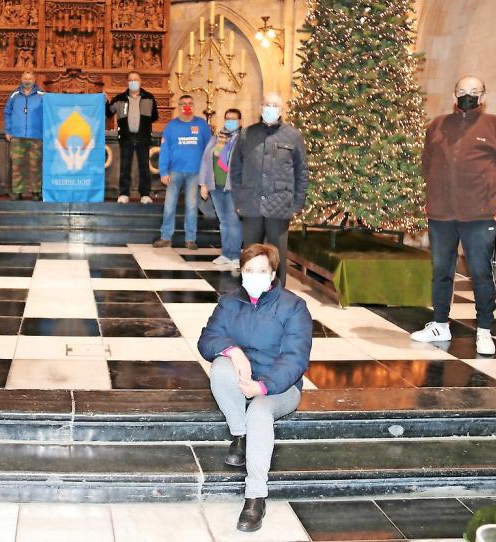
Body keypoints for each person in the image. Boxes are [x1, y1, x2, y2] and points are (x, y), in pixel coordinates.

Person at [197, 243, 312, 532]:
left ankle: (255, 495)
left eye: (262, 270)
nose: (255, 275)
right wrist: (231, 350)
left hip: (280, 385)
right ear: (241, 272)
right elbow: (207, 339)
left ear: (273, 273)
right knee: (221, 367)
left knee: (260, 411)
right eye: (249, 270)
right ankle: (240, 434)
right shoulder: (229, 302)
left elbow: (295, 359)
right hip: (243, 374)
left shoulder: (293, 307)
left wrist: (263, 386)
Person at [411, 76, 496, 355]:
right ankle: (440, 324)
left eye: (474, 91)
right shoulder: (438, 126)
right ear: (454, 94)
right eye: (463, 91)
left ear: (483, 95)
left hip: (478, 214)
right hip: (441, 213)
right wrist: (432, 192)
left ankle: (484, 330)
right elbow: (426, 162)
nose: (468, 95)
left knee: (480, 272)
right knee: (441, 271)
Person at [229, 92, 308, 286]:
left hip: (280, 204)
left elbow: (301, 172)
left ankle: (277, 291)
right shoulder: (247, 134)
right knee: (250, 252)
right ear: (260, 108)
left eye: (274, 105)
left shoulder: (293, 135)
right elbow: (236, 168)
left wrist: (297, 203)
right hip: (251, 202)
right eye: (266, 105)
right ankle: (248, 288)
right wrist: (238, 199)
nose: (270, 109)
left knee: (278, 253)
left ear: (281, 110)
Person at [153, 95, 212, 250]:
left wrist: (206, 176)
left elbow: (208, 151)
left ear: (194, 106)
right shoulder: (171, 126)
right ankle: (165, 237)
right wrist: (163, 172)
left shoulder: (202, 125)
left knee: (192, 206)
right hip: (175, 172)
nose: (187, 106)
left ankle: (190, 239)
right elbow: (164, 150)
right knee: (169, 206)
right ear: (179, 106)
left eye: (190, 104)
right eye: (184, 104)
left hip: (195, 173)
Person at [199, 108, 244, 270]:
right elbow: (205, 160)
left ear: (240, 121)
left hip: (232, 186)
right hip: (215, 185)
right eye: (227, 118)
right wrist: (203, 184)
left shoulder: (242, 139)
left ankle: (236, 255)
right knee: (223, 221)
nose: (230, 121)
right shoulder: (216, 138)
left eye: (234, 119)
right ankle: (225, 253)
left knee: (234, 221)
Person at [106, 71, 159, 204]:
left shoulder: (149, 98)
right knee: (125, 167)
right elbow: (108, 112)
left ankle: (145, 194)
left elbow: (154, 116)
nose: (134, 82)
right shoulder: (119, 98)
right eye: (131, 80)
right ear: (127, 82)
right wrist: (105, 100)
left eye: (136, 79)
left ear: (141, 82)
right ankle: (124, 193)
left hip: (143, 137)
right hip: (126, 137)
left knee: (144, 167)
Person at [3, 70, 45, 201]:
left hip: (36, 136)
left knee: (36, 165)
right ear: (21, 79)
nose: (27, 80)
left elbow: (50, 113)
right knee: (17, 165)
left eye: (30, 78)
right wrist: (8, 131)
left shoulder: (42, 95)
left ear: (34, 80)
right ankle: (17, 191)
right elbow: (7, 113)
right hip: (17, 135)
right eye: (25, 78)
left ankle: (36, 191)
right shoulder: (14, 95)